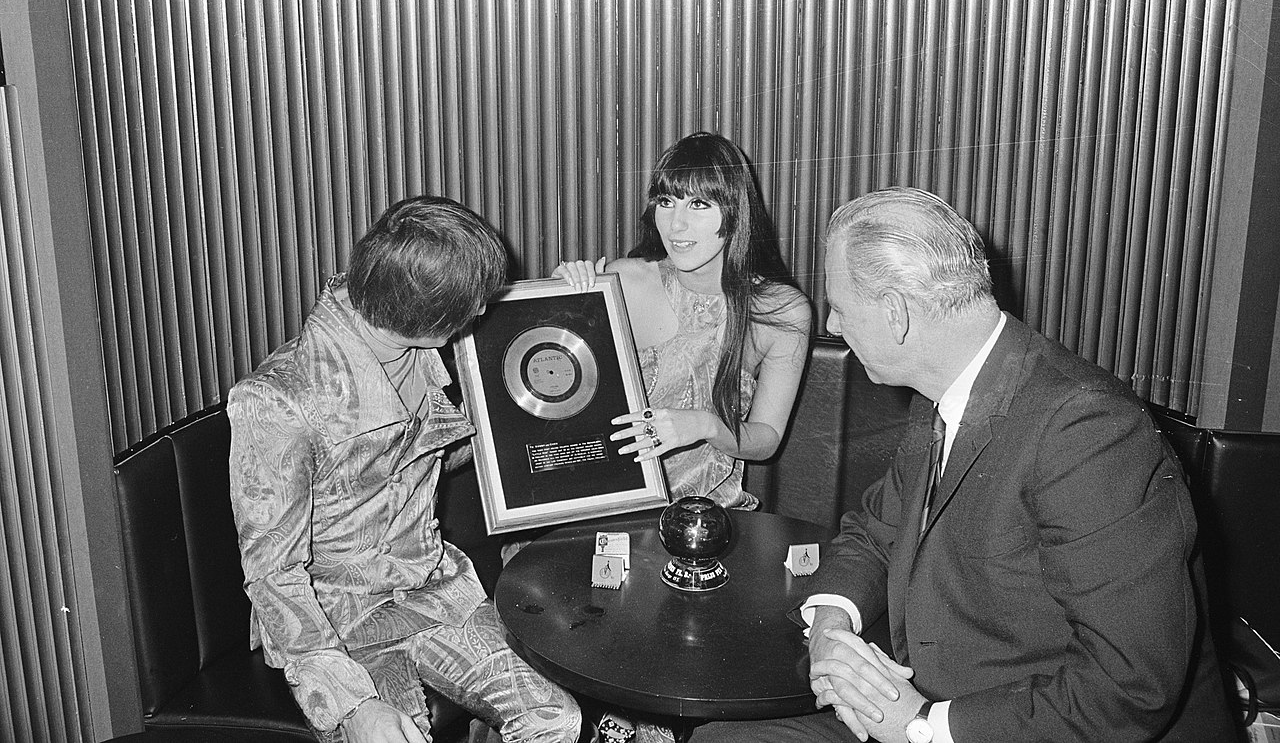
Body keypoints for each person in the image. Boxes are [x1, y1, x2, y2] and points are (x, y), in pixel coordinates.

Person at [692, 187, 1233, 742]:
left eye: (842, 308)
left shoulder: (1089, 433)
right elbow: (876, 532)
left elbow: (1130, 688)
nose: (831, 325)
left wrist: (922, 724)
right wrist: (832, 624)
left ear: (897, 316)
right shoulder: (942, 390)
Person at [228, 196, 583, 743]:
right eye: (474, 307)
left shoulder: (412, 340)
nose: (483, 314)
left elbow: (422, 459)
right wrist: (353, 706)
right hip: (340, 622)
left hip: (432, 592)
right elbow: (274, 578)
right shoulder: (279, 403)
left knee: (556, 719)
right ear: (428, 315)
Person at [557, 131, 812, 510]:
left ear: (735, 211)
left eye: (699, 204)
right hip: (596, 502)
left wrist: (705, 425)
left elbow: (767, 437)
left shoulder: (779, 311)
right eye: (666, 201)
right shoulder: (623, 280)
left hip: (703, 516)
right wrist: (557, 299)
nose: (676, 225)